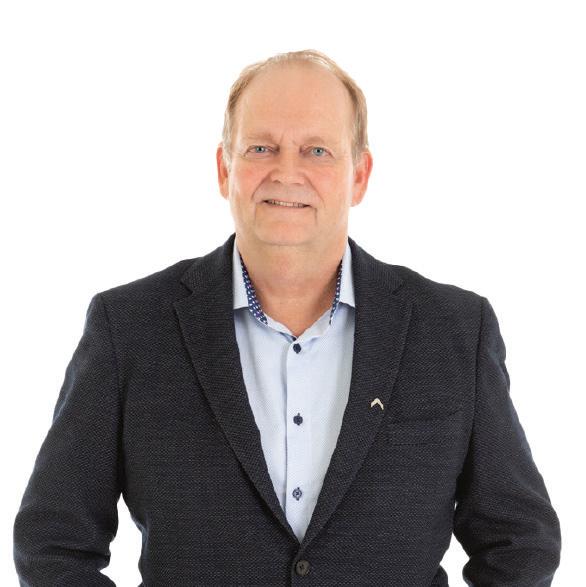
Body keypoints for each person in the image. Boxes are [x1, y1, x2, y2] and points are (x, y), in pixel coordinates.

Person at [13, 49, 561, 586]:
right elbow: (53, 543)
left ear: (360, 175)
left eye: (317, 150)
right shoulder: (129, 327)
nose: (286, 171)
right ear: (225, 169)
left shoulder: (454, 331)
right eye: (261, 148)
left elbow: (520, 543)